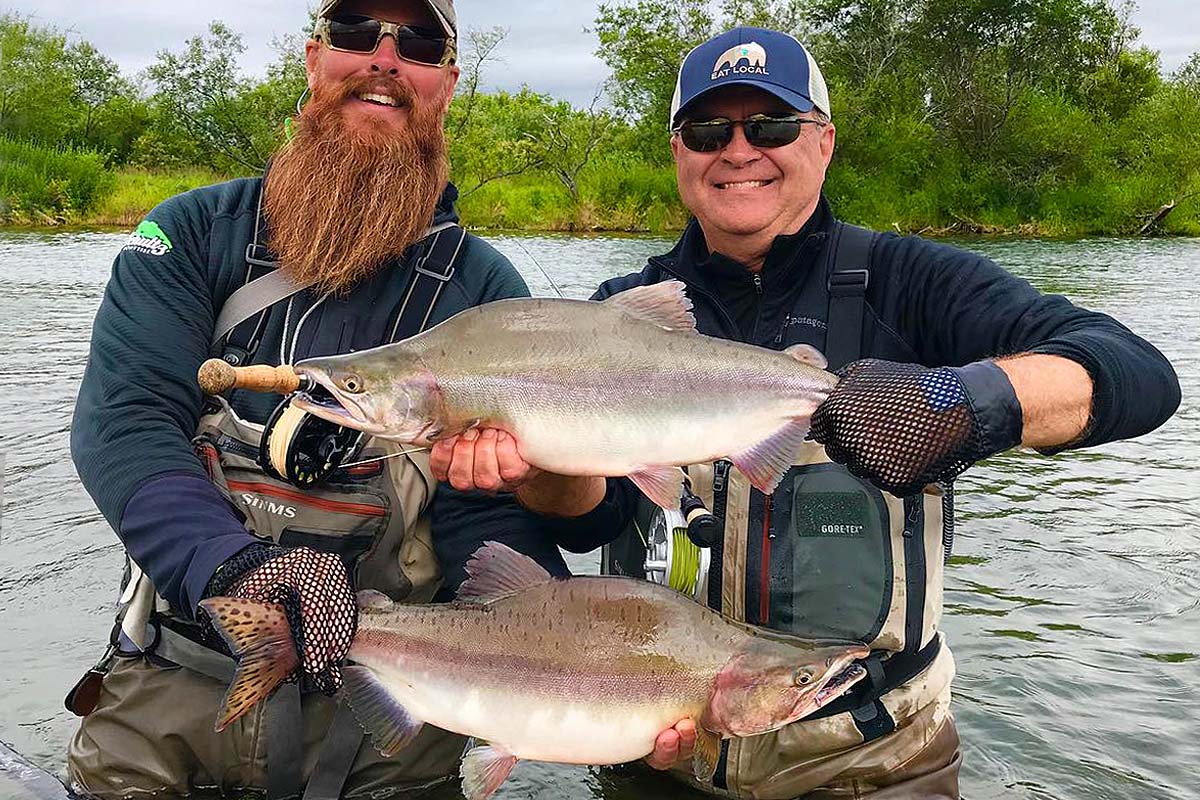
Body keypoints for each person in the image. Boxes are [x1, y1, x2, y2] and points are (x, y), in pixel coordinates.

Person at [432, 26, 1181, 800]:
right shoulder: (620, 317)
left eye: (773, 126)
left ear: (823, 143)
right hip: (658, 752)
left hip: (873, 764)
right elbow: (590, 522)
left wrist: (960, 402)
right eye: (708, 130)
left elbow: (1137, 374)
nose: (738, 150)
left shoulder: (910, 284)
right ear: (678, 152)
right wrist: (533, 474)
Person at [64, 1, 603, 797]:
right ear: (315, 59)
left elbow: (484, 529)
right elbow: (124, 428)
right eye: (358, 32)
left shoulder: (486, 294)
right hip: (171, 688)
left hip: (386, 726)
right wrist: (236, 567)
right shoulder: (190, 233)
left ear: (446, 84)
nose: (385, 57)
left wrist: (529, 495)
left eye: (417, 41)